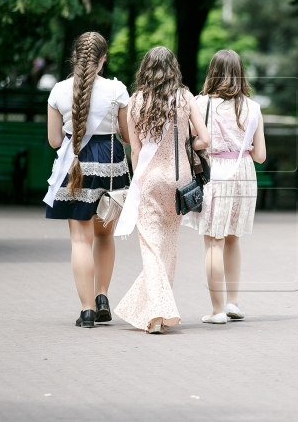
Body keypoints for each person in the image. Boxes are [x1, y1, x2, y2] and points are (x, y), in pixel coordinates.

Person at [113, 47, 210, 334]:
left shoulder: (135, 101)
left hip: (151, 179)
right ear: (173, 68)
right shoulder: (184, 97)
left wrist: (137, 181)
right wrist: (184, 147)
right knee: (167, 247)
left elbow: (136, 150)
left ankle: (158, 314)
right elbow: (203, 139)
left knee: (152, 248)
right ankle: (157, 312)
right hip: (179, 181)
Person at [44, 32, 132, 328]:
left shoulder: (58, 91)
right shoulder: (117, 90)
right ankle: (102, 296)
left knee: (81, 239)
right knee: (104, 235)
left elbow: (55, 140)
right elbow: (129, 136)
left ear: (75, 57)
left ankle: (86, 311)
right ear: (103, 59)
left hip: (76, 164)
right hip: (110, 165)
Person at [183, 49, 266, 324]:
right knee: (232, 239)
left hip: (214, 173)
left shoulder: (200, 103)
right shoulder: (252, 107)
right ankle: (234, 302)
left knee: (213, 242)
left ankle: (217, 310)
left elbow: (192, 141)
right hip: (243, 173)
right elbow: (261, 156)